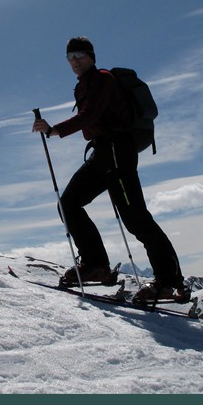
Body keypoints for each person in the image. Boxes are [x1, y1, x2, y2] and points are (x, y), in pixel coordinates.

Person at [32, 37, 188, 304]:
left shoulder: (102, 80)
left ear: (92, 56)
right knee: (68, 203)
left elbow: (90, 116)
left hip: (118, 151)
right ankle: (95, 265)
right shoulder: (82, 86)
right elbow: (91, 119)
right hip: (102, 153)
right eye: (70, 57)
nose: (74, 61)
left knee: (136, 218)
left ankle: (170, 282)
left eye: (79, 55)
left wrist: (53, 129)